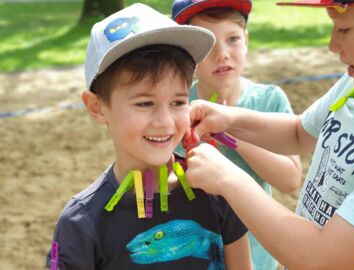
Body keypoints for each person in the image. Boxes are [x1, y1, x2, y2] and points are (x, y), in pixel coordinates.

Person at [184, 0, 354, 269]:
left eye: (344, 29)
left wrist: (227, 177)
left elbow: (320, 259)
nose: (332, 44)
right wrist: (230, 119)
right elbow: (299, 133)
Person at [46, 3, 252, 270]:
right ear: (97, 107)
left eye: (178, 102)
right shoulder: (80, 224)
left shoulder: (218, 190)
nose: (165, 122)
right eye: (144, 103)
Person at [172, 1, 302, 268]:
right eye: (208, 45)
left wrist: (231, 134)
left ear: (246, 40)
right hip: (194, 254)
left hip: (258, 255)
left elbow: (290, 180)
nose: (222, 54)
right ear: (188, 52)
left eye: (232, 39)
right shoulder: (177, 106)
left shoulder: (269, 100)